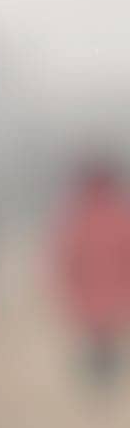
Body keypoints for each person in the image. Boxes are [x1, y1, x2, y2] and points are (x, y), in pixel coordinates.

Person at [53, 160, 130, 387]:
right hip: (114, 296)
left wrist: (71, 291)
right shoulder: (119, 214)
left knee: (98, 340)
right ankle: (106, 380)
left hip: (91, 298)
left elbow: (67, 260)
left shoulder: (77, 217)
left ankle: (100, 380)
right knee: (106, 340)